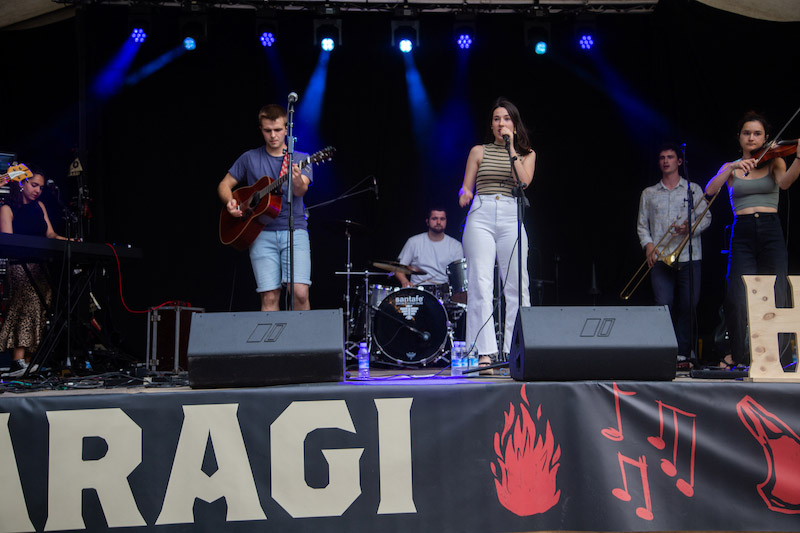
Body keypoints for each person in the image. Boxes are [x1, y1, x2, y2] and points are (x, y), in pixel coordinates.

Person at [705, 111, 800, 367]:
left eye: (757, 133)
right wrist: (733, 167)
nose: (752, 137)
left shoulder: (775, 160)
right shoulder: (731, 167)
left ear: (766, 137)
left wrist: (798, 158)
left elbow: (786, 184)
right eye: (747, 133)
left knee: (778, 291)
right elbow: (710, 190)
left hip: (771, 230)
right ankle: (739, 356)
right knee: (736, 296)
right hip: (742, 231)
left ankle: (777, 359)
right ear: (739, 138)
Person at [458, 97, 535, 368]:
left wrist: (511, 148)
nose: (500, 123)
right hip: (481, 212)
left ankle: (515, 350)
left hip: (511, 215)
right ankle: (484, 352)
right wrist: (464, 194)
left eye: (506, 118)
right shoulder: (478, 151)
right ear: (491, 125)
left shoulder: (526, 154)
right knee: (480, 284)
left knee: (517, 286)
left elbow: (523, 181)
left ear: (514, 124)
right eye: (496, 119)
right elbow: (466, 186)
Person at [217, 104, 313, 312]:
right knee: (269, 297)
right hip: (259, 232)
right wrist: (230, 202)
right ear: (260, 129)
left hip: (294, 230)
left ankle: (305, 344)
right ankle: (273, 344)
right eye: (268, 130)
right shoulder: (249, 158)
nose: (273, 136)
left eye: (278, 130)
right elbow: (224, 185)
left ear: (286, 129)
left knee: (300, 292)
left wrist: (296, 180)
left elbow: (299, 191)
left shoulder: (299, 159)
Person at [637, 143, 711, 363]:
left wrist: (690, 228)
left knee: (690, 304)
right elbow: (642, 225)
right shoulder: (648, 193)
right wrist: (648, 245)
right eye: (662, 157)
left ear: (679, 161)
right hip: (660, 257)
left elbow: (706, 217)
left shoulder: (693, 189)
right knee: (663, 304)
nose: (666, 161)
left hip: (690, 256)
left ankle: (683, 351)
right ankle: (664, 349)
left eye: (670, 157)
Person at [0, 169, 67, 376]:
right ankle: (17, 360)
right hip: (20, 265)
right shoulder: (7, 208)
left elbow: (50, 234)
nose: (37, 190)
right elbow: (7, 241)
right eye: (33, 185)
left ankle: (29, 362)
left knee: (40, 308)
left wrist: (70, 242)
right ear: (22, 184)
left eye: (41, 187)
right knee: (26, 304)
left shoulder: (40, 206)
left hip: (40, 265)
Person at [395, 208, 464, 293]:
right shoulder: (413, 242)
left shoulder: (456, 245)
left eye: (442, 219)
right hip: (418, 291)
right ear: (427, 221)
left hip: (444, 292)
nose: (438, 222)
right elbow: (398, 269)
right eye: (434, 218)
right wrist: (405, 282)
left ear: (446, 221)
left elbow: (460, 276)